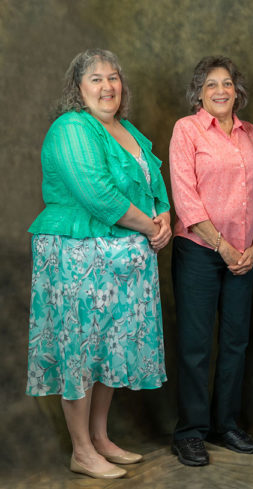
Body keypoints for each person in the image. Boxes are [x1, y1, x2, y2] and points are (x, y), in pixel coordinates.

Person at [26, 49, 171, 479]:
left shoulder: (127, 130)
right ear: (77, 88)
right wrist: (150, 227)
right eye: (95, 79)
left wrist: (164, 217)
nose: (107, 86)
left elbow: (154, 184)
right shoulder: (71, 127)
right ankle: (81, 450)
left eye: (113, 78)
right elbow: (98, 194)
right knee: (80, 350)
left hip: (123, 264)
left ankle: (101, 439)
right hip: (77, 256)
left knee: (108, 350)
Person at [169, 56, 253, 467]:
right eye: (211, 84)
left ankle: (225, 423)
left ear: (236, 90)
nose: (220, 91)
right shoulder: (186, 129)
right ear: (199, 92)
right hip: (199, 251)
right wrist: (224, 247)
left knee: (235, 342)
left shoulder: (251, 133)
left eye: (226, 83)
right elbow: (185, 197)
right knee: (195, 345)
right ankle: (190, 431)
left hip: (245, 254)